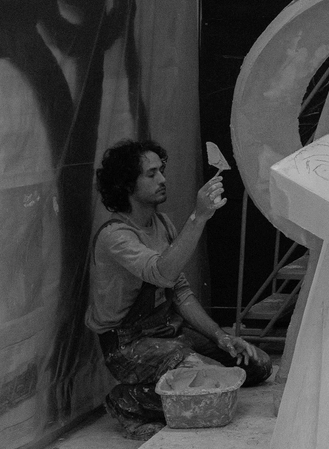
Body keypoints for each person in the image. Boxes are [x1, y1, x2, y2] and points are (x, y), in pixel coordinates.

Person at [86, 139, 271, 440]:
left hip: (169, 333)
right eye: (151, 174)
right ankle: (126, 401)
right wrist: (199, 216)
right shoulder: (115, 237)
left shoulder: (163, 223)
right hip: (128, 345)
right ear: (126, 185)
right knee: (209, 382)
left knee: (256, 364)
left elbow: (181, 293)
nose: (162, 179)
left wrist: (222, 337)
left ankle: (176, 377)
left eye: (161, 170)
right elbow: (162, 272)